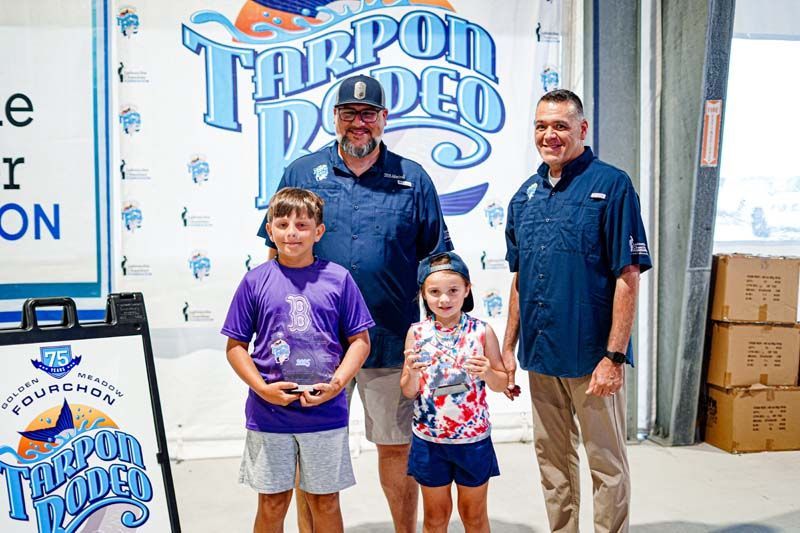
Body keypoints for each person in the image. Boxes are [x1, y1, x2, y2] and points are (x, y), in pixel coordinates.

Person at [255, 74, 452, 532]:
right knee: (313, 448)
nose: (358, 123)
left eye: (368, 114)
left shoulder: (412, 178)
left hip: (390, 338)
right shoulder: (303, 173)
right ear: (336, 118)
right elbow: (275, 251)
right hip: (313, 348)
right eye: (349, 114)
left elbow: (436, 258)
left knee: (397, 448)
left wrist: (442, 332)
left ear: (384, 118)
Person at [503, 89, 652, 533]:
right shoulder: (524, 197)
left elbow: (628, 276)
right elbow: (518, 279)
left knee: (606, 464)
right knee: (553, 464)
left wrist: (614, 357)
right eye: (542, 126)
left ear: (582, 130)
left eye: (561, 126)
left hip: (592, 358)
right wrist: (508, 348)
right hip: (541, 355)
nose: (550, 135)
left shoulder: (611, 185)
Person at [224, 188, 375, 533]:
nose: (292, 232)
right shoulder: (255, 281)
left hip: (325, 413)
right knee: (273, 501)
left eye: (302, 224)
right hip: (269, 413)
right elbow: (235, 346)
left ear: (318, 232)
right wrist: (263, 389)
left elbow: (360, 342)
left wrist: (337, 384)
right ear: (270, 229)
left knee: (325, 501)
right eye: (282, 223)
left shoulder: (338, 279)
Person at [400, 251, 507, 533]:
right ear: (423, 293)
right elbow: (409, 391)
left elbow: (501, 382)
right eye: (434, 292)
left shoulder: (482, 332)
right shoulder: (416, 333)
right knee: (435, 518)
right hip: (429, 441)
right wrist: (411, 371)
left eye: (452, 291)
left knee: (474, 515)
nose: (444, 299)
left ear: (467, 289)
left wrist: (487, 372)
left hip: (473, 441)